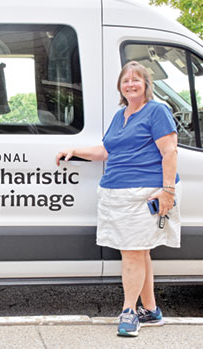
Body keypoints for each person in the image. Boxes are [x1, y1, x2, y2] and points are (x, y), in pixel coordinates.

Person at [55, 61, 181, 337]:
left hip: (144, 192)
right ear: (120, 87)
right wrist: (75, 150)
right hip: (116, 191)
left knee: (132, 252)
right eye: (126, 80)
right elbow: (106, 152)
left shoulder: (156, 111)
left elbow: (170, 151)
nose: (131, 84)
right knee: (140, 250)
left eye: (137, 79)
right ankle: (151, 310)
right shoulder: (121, 115)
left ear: (147, 84)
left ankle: (129, 311)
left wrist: (168, 191)